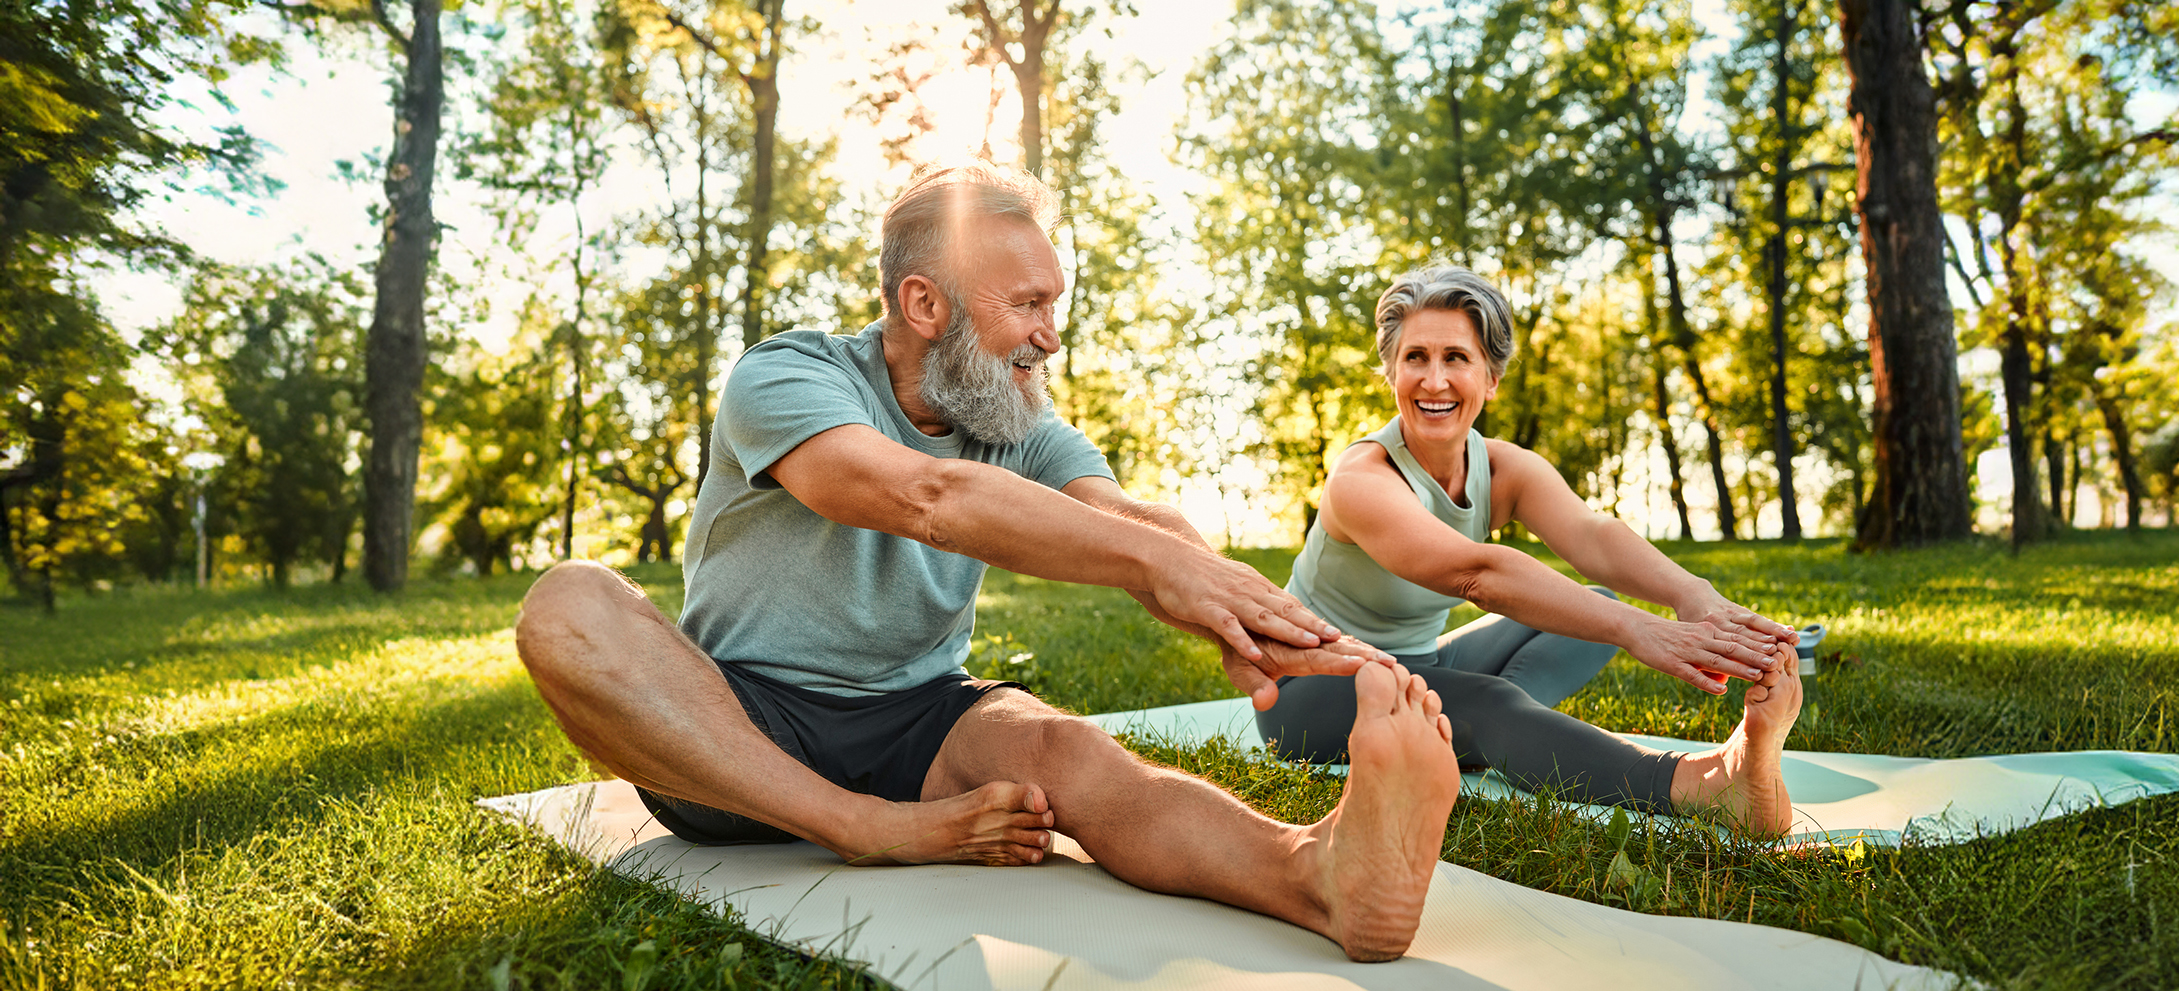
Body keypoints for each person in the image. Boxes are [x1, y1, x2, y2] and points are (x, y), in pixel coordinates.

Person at [513, 164, 1463, 962]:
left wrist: (1245, 610)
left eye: (1057, 303)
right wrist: (1145, 560)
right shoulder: (788, 376)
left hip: (920, 720)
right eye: (1030, 304)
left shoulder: (1016, 418)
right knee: (569, 602)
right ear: (924, 304)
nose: (1052, 333)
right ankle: (860, 827)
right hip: (737, 724)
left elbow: (1132, 519)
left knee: (1068, 750)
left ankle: (1320, 876)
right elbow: (925, 499)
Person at [1254, 266, 1807, 837]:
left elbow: (1592, 537)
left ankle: (1473, 731)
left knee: (1585, 608)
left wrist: (1695, 597)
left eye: (1456, 358)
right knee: (1493, 699)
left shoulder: (1500, 467)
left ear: (1490, 378)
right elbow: (1476, 574)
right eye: (1415, 357)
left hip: (1416, 664)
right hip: (1307, 690)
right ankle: (1707, 784)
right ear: (1391, 373)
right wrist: (1641, 629)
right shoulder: (1362, 478)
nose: (1434, 380)